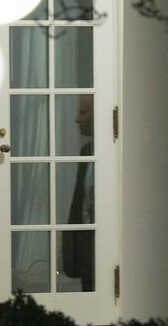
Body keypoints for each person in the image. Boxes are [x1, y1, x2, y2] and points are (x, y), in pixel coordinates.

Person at [63, 94, 95, 292]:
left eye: (83, 112)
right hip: (85, 248)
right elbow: (79, 204)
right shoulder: (86, 151)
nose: (77, 119)